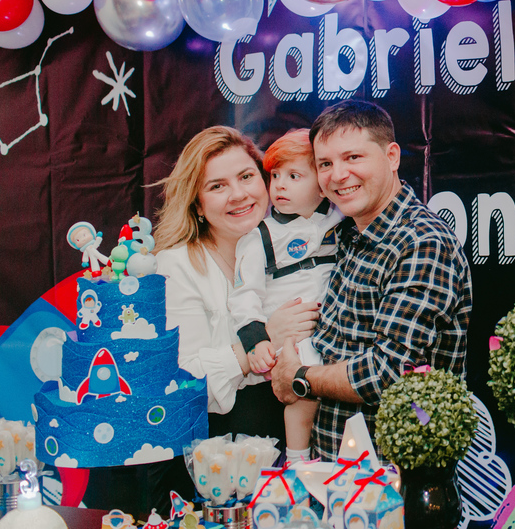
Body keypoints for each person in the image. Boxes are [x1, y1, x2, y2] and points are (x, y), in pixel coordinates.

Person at [270, 100, 474, 461]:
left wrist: (299, 377)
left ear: (392, 156)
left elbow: (389, 372)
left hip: (391, 482)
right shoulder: (348, 234)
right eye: (325, 164)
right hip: (334, 475)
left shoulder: (421, 242)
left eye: (353, 158)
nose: (338, 175)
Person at [153, 126, 319, 440]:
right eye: (217, 186)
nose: (239, 194)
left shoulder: (302, 245)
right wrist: (262, 336)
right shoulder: (177, 265)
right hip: (224, 452)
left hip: (306, 429)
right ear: (198, 204)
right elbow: (182, 380)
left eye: (246, 177)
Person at [229, 129, 344, 464]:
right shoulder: (259, 238)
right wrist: (256, 341)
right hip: (291, 340)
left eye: (294, 176)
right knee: (302, 384)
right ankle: (296, 461)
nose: (279, 185)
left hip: (331, 334)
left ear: (322, 184)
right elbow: (243, 297)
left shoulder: (339, 219)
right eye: (275, 175)